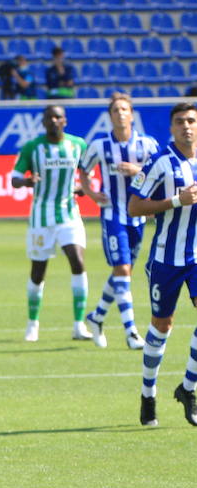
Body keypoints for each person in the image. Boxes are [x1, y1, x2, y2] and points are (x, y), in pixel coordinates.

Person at [127, 102, 197, 427]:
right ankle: (147, 393)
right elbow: (134, 206)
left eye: (192, 121)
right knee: (161, 327)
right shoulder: (160, 163)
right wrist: (174, 201)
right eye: (180, 121)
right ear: (171, 127)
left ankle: (187, 388)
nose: (186, 126)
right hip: (166, 260)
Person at [11, 103, 106, 342]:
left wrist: (81, 189)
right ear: (43, 122)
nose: (54, 121)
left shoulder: (78, 145)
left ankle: (78, 325)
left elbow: (87, 178)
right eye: (49, 117)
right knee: (38, 271)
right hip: (41, 217)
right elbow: (14, 179)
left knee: (77, 260)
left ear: (65, 121)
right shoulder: (33, 148)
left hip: (69, 214)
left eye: (58, 117)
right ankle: (33, 324)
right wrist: (27, 182)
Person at [81, 93, 160, 350]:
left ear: (132, 114)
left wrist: (139, 172)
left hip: (138, 218)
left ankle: (96, 317)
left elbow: (160, 173)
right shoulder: (99, 145)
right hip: (113, 215)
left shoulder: (147, 145)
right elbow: (83, 169)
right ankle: (131, 332)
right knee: (123, 270)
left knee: (121, 272)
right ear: (110, 116)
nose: (121, 114)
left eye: (125, 109)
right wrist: (92, 193)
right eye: (116, 110)